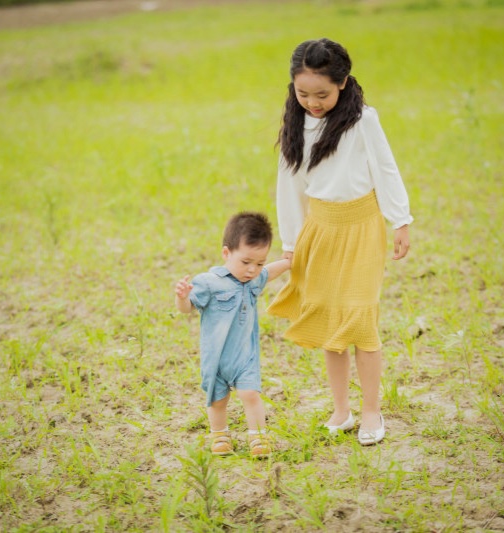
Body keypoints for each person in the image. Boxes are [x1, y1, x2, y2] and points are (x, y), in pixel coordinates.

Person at [267, 38, 413, 446]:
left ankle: (371, 410)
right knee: (332, 320)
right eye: (303, 93)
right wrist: (292, 244)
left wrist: (400, 220)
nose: (312, 102)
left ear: (344, 83)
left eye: (322, 94)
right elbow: (290, 185)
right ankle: (341, 409)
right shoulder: (296, 123)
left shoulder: (362, 120)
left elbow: (386, 168)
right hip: (320, 230)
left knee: (361, 317)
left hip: (362, 227)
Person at [175, 212, 291, 457]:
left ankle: (258, 437)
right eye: (246, 262)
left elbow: (270, 272)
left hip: (244, 357)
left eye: (258, 263)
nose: (252, 270)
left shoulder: (254, 280)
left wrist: (289, 261)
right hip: (216, 357)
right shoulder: (208, 282)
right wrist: (182, 297)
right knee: (218, 400)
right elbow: (187, 309)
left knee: (250, 394)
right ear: (226, 253)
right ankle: (219, 435)